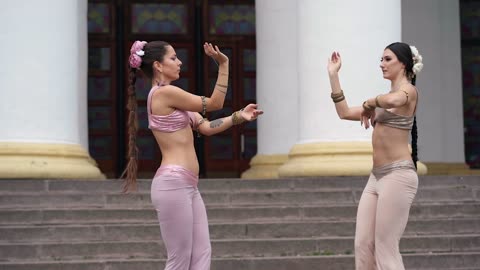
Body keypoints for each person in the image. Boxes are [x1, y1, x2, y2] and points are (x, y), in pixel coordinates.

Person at [123, 40, 263, 270]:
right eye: (173, 58)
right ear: (158, 65)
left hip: (187, 184)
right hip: (173, 183)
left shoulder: (175, 99)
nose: (179, 62)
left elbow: (206, 127)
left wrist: (239, 116)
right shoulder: (164, 94)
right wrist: (223, 65)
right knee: (180, 258)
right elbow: (216, 103)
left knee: (201, 254)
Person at [327, 42, 424, 270]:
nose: (382, 64)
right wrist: (333, 75)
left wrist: (369, 103)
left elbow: (394, 101)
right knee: (363, 245)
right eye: (381, 60)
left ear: (404, 63)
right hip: (376, 178)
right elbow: (344, 113)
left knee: (385, 247)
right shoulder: (386, 97)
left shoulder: (408, 90)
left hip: (398, 175)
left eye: (387, 59)